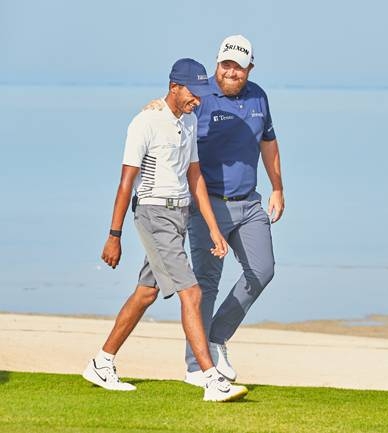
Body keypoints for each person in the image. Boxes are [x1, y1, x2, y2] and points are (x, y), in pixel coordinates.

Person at [81, 58, 248, 402]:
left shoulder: (188, 122)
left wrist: (214, 230)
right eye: (193, 92)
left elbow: (195, 176)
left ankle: (102, 361)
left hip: (180, 215)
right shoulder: (145, 123)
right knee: (192, 292)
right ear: (174, 87)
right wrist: (114, 235)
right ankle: (211, 378)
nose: (198, 100)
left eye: (202, 94)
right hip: (153, 214)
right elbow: (126, 182)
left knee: (147, 292)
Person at [182, 35, 285, 386]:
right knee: (206, 283)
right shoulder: (199, 94)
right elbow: (170, 112)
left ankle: (216, 337)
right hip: (208, 205)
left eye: (238, 67)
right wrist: (155, 107)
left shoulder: (258, 96)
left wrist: (278, 188)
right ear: (217, 63)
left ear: (249, 69)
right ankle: (197, 366)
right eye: (226, 64)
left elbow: (268, 143)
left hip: (250, 201)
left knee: (262, 270)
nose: (231, 72)